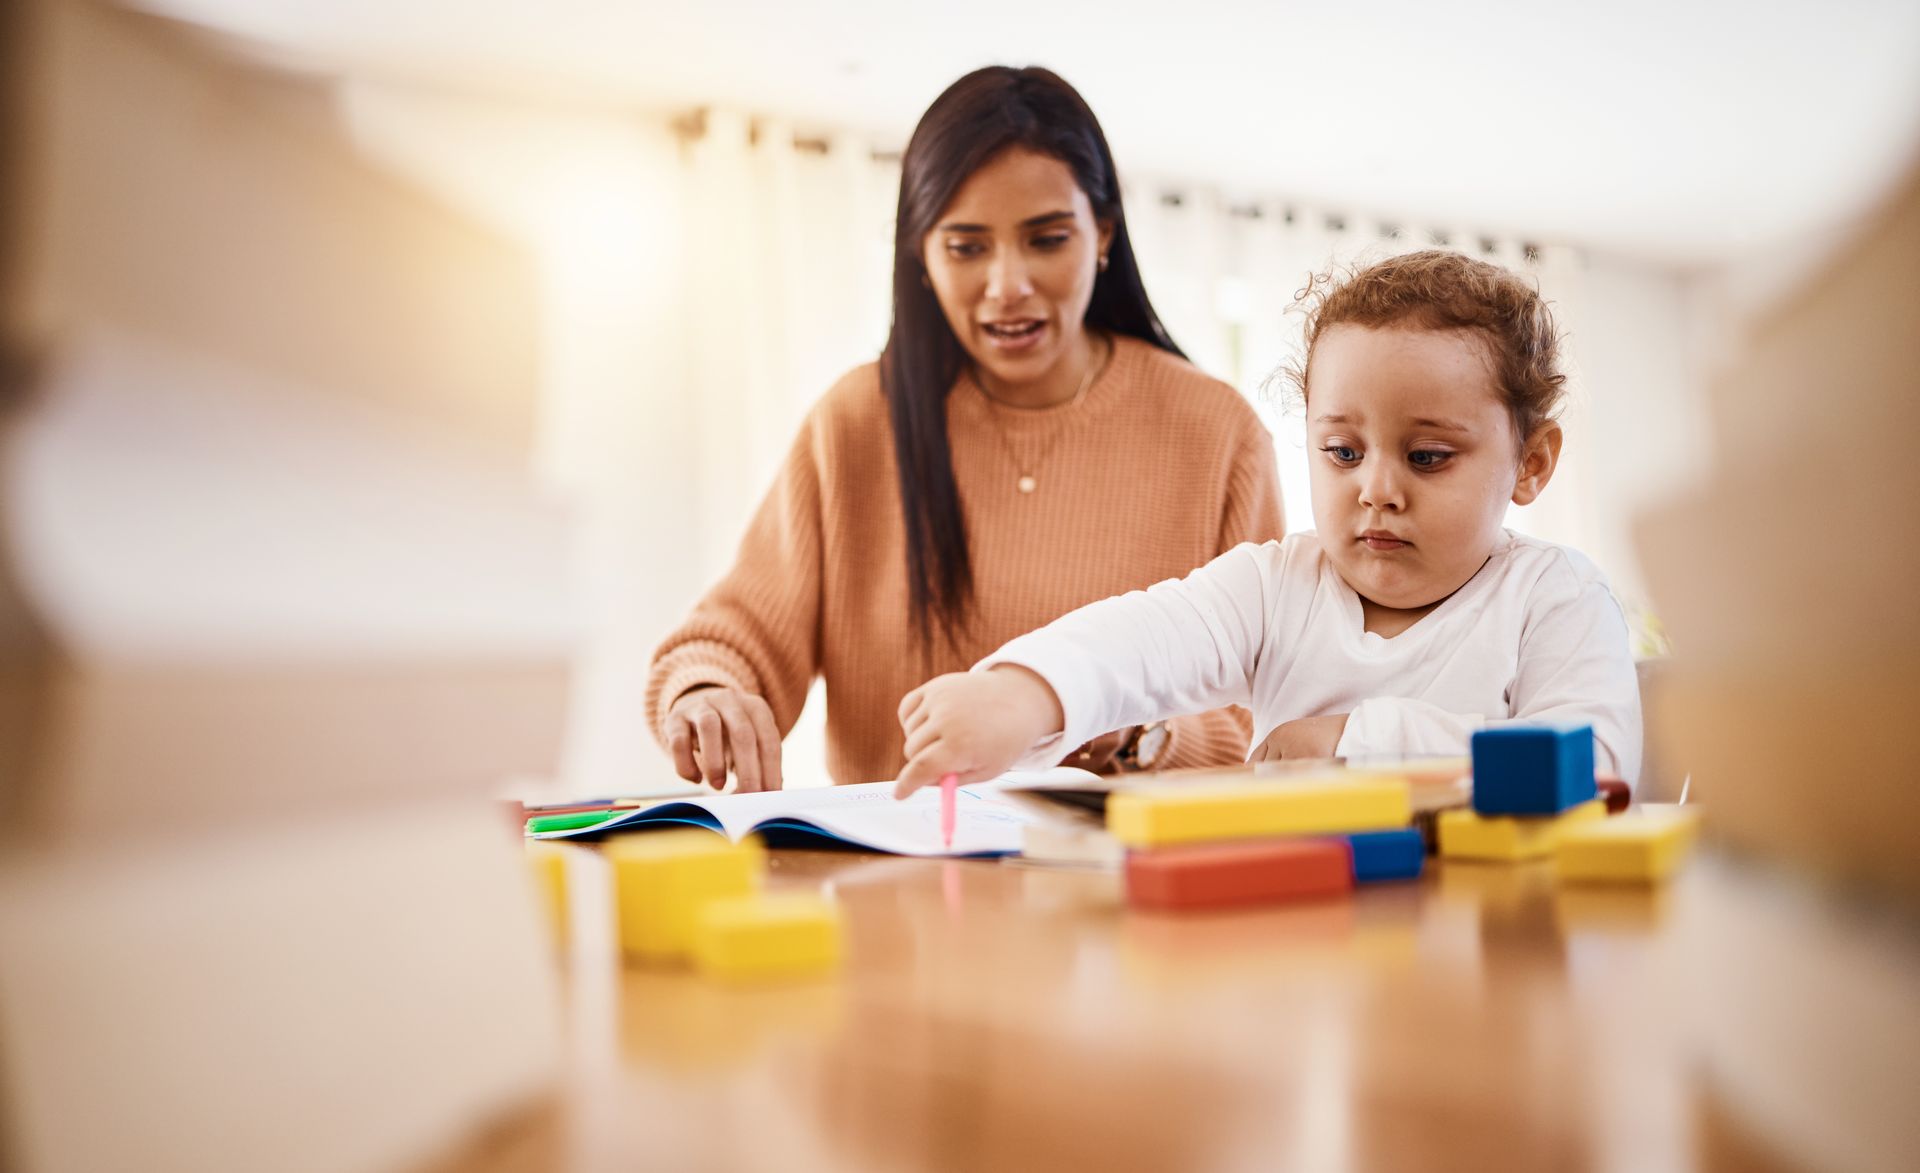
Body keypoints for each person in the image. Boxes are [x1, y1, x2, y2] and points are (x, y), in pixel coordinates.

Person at [646, 66, 1285, 791]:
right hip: (893, 881)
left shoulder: (1216, 431)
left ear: (1102, 233)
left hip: (1126, 881)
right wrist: (707, 694)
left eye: (1046, 239)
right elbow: (737, 639)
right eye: (967, 246)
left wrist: (1129, 731)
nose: (1007, 284)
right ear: (921, 252)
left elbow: (1264, 712)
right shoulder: (856, 423)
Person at [893, 249, 1643, 797]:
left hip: (1501, 947)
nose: (1376, 489)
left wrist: (1354, 742)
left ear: (1533, 462)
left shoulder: (1556, 597)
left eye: (1427, 455)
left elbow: (1593, 762)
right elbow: (1145, 638)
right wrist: (1020, 694)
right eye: (1343, 451)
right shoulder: (1277, 585)